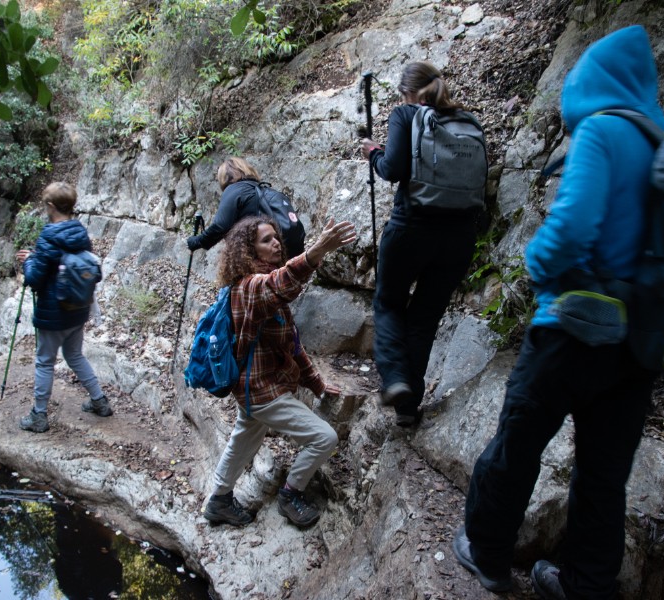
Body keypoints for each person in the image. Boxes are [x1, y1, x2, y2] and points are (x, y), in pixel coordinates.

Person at [452, 26, 664, 599]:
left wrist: (536, 261)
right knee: (603, 474)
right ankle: (584, 583)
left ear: (588, 82)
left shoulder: (603, 131)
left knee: (517, 443)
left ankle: (488, 553)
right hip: (641, 338)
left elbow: (573, 228)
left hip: (574, 329)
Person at [202, 215, 357, 528]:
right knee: (323, 438)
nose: (275, 243)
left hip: (252, 390)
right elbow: (280, 283)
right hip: (262, 392)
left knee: (242, 441)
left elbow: (292, 344)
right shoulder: (249, 288)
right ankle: (290, 494)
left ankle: (218, 500)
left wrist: (316, 384)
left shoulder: (262, 289)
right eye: (265, 240)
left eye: (275, 237)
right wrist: (318, 250)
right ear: (248, 250)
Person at [360, 61, 480, 426]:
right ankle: (408, 409)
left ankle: (396, 379)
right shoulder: (469, 123)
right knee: (424, 318)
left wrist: (373, 153)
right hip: (460, 237)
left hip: (412, 228)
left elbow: (392, 169)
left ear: (407, 93)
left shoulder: (407, 114)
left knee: (389, 303)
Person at [16, 182, 112, 433]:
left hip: (53, 312)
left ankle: (39, 415)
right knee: (75, 355)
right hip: (78, 307)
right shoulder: (79, 232)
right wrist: (37, 258)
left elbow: (35, 278)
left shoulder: (49, 235)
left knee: (45, 361)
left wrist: (28, 262)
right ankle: (99, 401)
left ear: (50, 206)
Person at [186, 157, 304, 257]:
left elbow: (220, 226)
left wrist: (196, 241)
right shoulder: (265, 189)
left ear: (224, 177)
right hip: (290, 252)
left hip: (264, 255)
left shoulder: (234, 190)